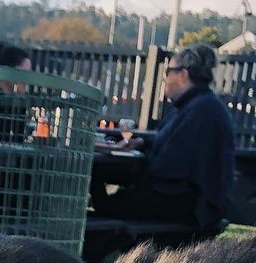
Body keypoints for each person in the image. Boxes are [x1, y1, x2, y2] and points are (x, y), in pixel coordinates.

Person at [92, 44, 235, 233]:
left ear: (183, 74)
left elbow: (169, 165)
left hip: (187, 205)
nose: (164, 78)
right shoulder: (197, 105)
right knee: (109, 197)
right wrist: (141, 144)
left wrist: (134, 169)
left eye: (168, 71)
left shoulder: (199, 111)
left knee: (104, 202)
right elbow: (171, 144)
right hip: (193, 200)